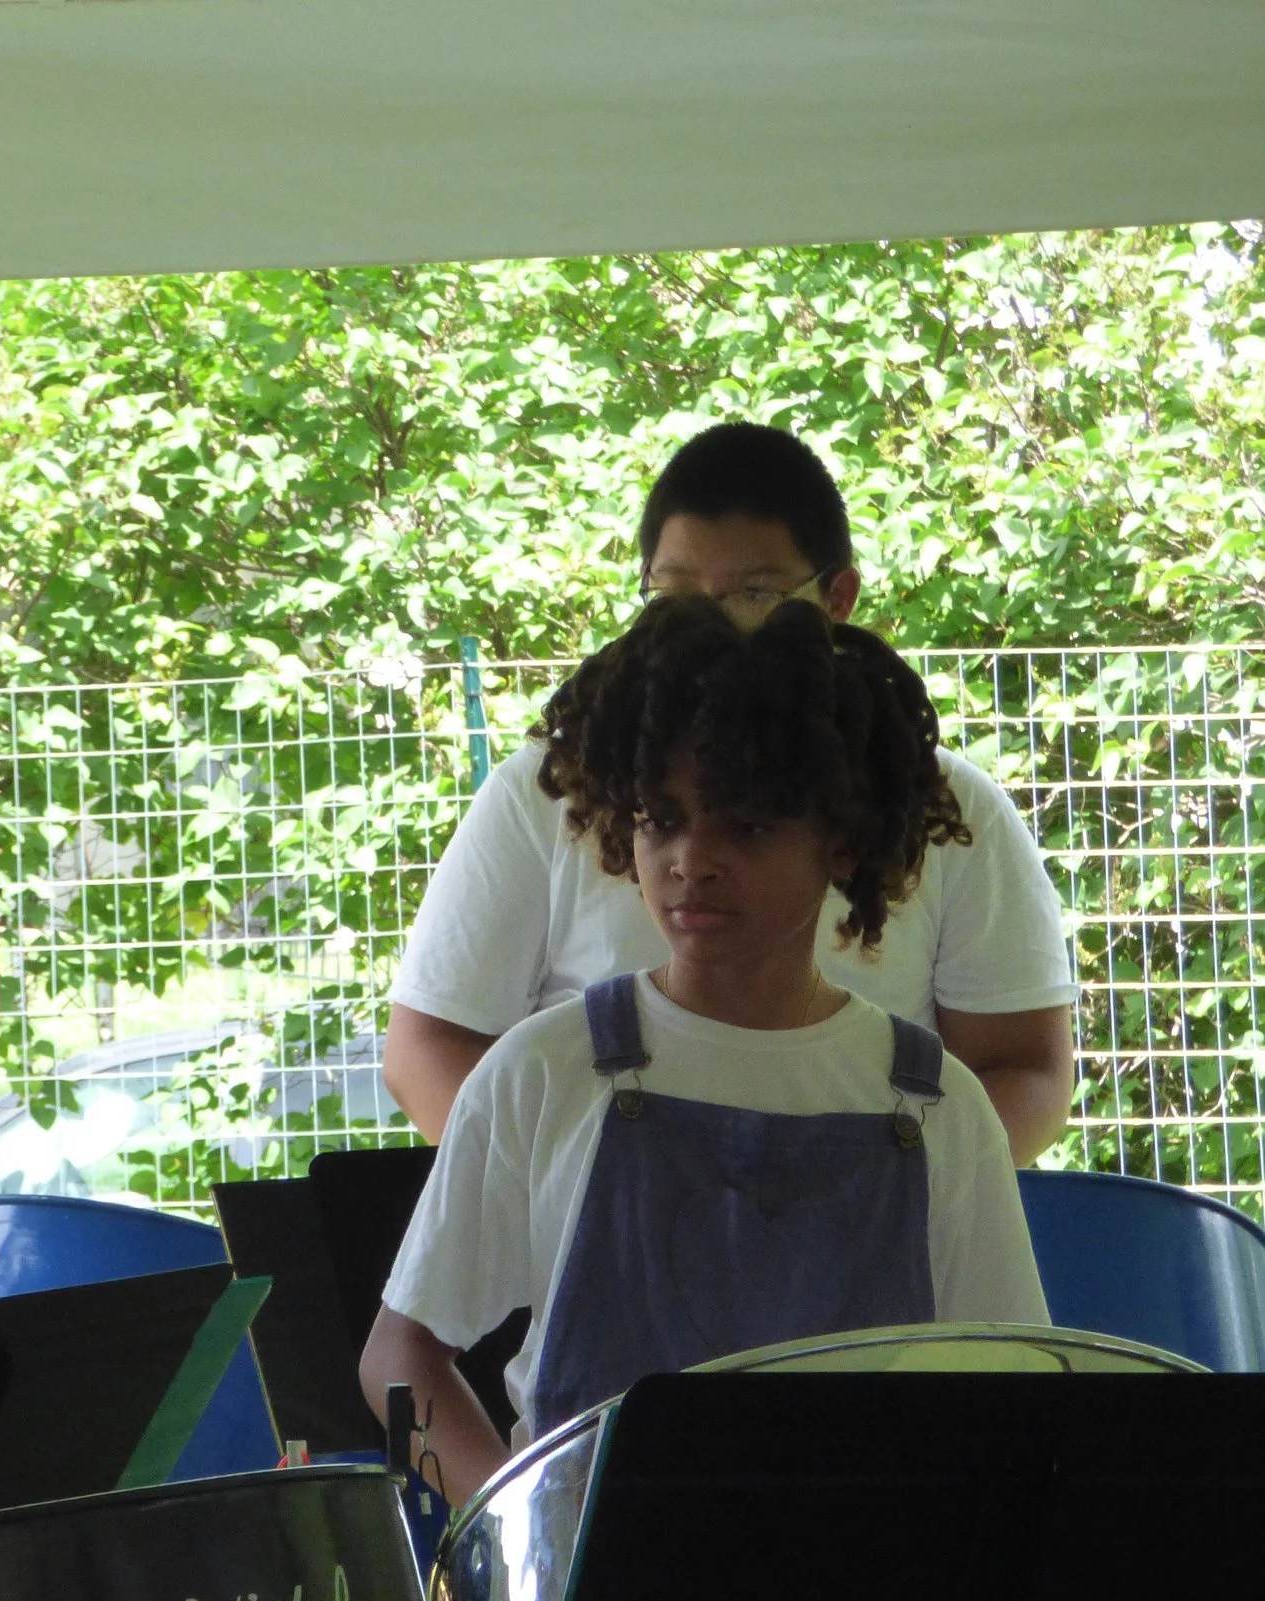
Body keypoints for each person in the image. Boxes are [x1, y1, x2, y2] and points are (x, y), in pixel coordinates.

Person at [359, 595, 1050, 1601]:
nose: (691, 861)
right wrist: (525, 1542)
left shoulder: (931, 1104)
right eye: (661, 821)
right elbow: (400, 1353)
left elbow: (1006, 1402)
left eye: (745, 824)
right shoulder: (543, 1072)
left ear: (843, 839)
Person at [382, 421, 1076, 1166]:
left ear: (837, 596)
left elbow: (1026, 1067)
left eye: (752, 593)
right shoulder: (548, 788)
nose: (706, 625)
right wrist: (555, 1196)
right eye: (673, 595)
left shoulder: (944, 807)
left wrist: (885, 1198)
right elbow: (428, 1045)